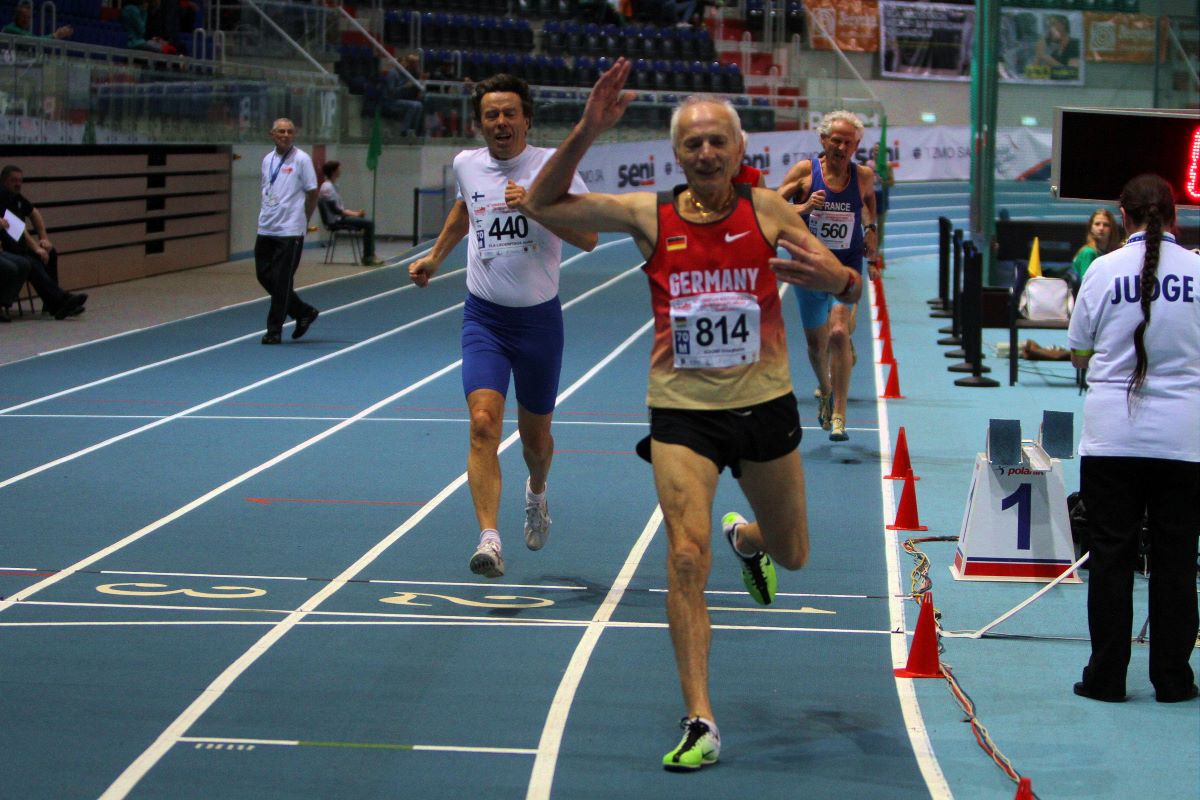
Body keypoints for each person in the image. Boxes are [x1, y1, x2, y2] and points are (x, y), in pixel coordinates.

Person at [517, 59, 860, 770]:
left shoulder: (768, 211)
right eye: (693, 144)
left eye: (717, 143)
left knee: (794, 553)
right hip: (681, 412)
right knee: (682, 555)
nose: (705, 153)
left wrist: (839, 279)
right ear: (677, 155)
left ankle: (751, 541)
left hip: (763, 405)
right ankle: (700, 718)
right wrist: (587, 129)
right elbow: (543, 204)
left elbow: (843, 274)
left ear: (741, 154)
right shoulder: (651, 214)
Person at [408, 73, 598, 579]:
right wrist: (434, 256)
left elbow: (590, 237)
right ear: (480, 123)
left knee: (536, 443)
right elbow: (463, 211)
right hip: (485, 318)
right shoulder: (467, 165)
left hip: (538, 322)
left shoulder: (552, 168)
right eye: (491, 114)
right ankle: (489, 538)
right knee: (483, 424)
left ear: (527, 119)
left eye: (509, 113)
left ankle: (536, 493)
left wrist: (535, 206)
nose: (500, 122)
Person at [1067, 173, 1200, 705]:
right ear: (1175, 217)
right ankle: (1172, 678)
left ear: (1123, 217)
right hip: (1183, 441)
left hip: (1111, 437)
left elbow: (1078, 351)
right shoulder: (1198, 272)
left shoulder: (1101, 270)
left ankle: (1106, 677)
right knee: (1176, 559)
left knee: (1112, 557)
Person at [776, 110, 878, 441]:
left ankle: (839, 415)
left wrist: (871, 230)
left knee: (837, 333)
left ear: (857, 144)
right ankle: (825, 387)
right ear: (823, 140)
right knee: (815, 344)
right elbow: (770, 208)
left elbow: (870, 204)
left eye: (848, 142)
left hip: (845, 266)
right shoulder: (806, 172)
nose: (841, 147)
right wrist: (802, 209)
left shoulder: (862, 176)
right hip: (809, 266)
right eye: (836, 140)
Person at [255, 118, 320, 345]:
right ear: (272, 134)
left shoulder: (302, 159)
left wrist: (304, 219)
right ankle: (303, 311)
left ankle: (274, 330)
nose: (285, 135)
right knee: (264, 275)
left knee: (282, 281)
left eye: (290, 132)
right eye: (281, 131)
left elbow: (313, 192)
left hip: (290, 230)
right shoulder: (267, 160)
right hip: (267, 226)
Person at [0, 165, 88, 319]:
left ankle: (53, 302)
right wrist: (35, 247)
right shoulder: (1, 197)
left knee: (50, 253)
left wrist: (43, 239)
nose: (18, 184)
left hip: (19, 244)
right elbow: (18, 228)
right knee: (32, 261)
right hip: (9, 246)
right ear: (4, 181)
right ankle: (60, 301)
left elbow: (34, 214)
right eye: (13, 180)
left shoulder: (17, 197)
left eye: (20, 181)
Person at [318, 160, 385, 267]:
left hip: (339, 218)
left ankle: (370, 254)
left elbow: (339, 209)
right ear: (334, 171)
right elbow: (336, 210)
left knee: (368, 222)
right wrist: (355, 214)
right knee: (369, 224)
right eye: (339, 169)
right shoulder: (327, 187)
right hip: (335, 221)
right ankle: (368, 256)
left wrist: (355, 213)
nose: (340, 171)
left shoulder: (333, 186)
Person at [380, 54, 425, 137]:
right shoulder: (392, 74)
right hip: (391, 101)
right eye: (403, 63)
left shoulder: (404, 74)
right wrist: (405, 87)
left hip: (400, 99)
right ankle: (404, 130)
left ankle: (413, 129)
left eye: (406, 63)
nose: (405, 64)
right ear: (399, 63)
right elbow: (391, 92)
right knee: (414, 105)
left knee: (419, 105)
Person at [1072, 207, 1118, 282]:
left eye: (1106, 225)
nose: (1101, 228)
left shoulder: (1112, 253)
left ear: (1112, 229)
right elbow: (1086, 284)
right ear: (1091, 228)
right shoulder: (1088, 252)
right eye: (1097, 224)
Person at [2, 1, 72, 39]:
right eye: (23, 17)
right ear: (17, 16)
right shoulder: (10, 29)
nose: (26, 20)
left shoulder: (24, 31)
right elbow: (36, 41)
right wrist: (56, 35)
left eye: (28, 17)